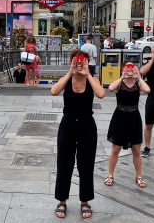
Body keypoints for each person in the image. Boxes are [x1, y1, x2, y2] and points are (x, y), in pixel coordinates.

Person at [50, 50, 105, 219]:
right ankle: (62, 200)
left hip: (87, 125)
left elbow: (101, 94)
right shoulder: (67, 80)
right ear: (71, 62)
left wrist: (87, 74)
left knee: (86, 165)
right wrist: (70, 72)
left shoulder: (92, 80)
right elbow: (54, 91)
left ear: (87, 62)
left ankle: (85, 201)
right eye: (76, 61)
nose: (79, 64)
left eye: (82, 61)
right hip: (67, 125)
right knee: (64, 164)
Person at [105, 62, 150, 189]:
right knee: (116, 148)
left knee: (136, 149)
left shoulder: (138, 83)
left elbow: (147, 90)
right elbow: (111, 88)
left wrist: (139, 76)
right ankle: (110, 175)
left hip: (134, 117)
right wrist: (122, 76)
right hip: (120, 117)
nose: (130, 70)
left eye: (132, 67)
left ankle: (139, 176)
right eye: (127, 68)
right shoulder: (120, 83)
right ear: (122, 69)